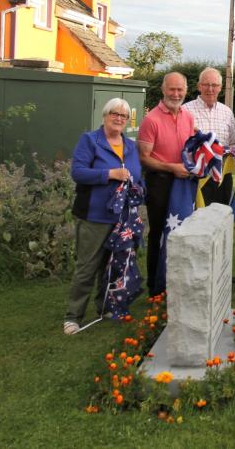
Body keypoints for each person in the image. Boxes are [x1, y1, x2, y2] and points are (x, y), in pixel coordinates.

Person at [64, 98, 143, 334]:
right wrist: (110, 174)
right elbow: (78, 172)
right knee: (88, 266)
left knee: (113, 265)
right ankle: (73, 316)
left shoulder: (130, 146)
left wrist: (141, 190)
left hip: (122, 218)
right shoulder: (90, 141)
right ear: (105, 115)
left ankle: (106, 307)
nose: (119, 119)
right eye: (114, 114)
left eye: (123, 116)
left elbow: (138, 175)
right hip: (94, 215)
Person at [137, 72, 195, 296]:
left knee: (183, 232)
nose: (176, 94)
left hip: (184, 183)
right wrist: (172, 168)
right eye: (172, 89)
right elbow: (144, 158)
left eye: (180, 89)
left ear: (186, 90)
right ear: (163, 90)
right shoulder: (151, 119)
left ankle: (179, 281)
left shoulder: (188, 117)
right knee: (159, 232)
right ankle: (155, 285)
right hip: (160, 181)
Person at [182, 67, 235, 206]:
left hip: (222, 177)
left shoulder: (226, 112)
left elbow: (233, 143)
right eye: (206, 84)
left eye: (214, 85)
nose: (210, 89)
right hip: (196, 177)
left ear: (220, 88)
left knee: (223, 219)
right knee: (197, 221)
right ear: (199, 86)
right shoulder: (185, 111)